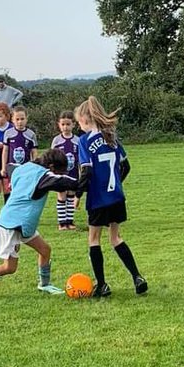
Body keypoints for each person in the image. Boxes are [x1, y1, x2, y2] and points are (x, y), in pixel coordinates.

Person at [0, 149, 82, 296]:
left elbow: (11, 167)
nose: (61, 175)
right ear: (51, 167)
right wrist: (87, 181)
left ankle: (44, 285)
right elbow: (64, 182)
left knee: (45, 250)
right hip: (12, 225)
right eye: (60, 171)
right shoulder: (44, 177)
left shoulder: (25, 167)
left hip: (23, 224)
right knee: (9, 267)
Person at [75, 95, 147, 298]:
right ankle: (137, 277)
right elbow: (126, 166)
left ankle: (102, 285)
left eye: (79, 123)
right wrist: (115, 184)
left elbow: (86, 172)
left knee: (94, 239)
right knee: (115, 238)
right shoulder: (111, 137)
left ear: (85, 119)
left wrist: (78, 193)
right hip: (116, 197)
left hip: (98, 199)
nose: (79, 127)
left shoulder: (84, 141)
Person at [50, 111, 79, 230]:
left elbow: (81, 159)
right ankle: (62, 223)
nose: (65, 127)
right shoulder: (56, 140)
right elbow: (51, 157)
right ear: (59, 125)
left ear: (73, 125)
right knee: (61, 196)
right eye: (63, 124)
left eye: (68, 124)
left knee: (71, 196)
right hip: (60, 174)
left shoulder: (77, 140)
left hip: (73, 173)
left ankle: (70, 221)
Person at [1, 106, 38, 186]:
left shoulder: (31, 134)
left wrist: (34, 166)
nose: (20, 122)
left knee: (24, 187)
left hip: (26, 166)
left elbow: (34, 152)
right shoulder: (8, 133)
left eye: (22, 119)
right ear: (12, 120)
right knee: (13, 188)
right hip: (12, 167)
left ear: (26, 119)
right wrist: (3, 167)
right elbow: (5, 151)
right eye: (17, 119)